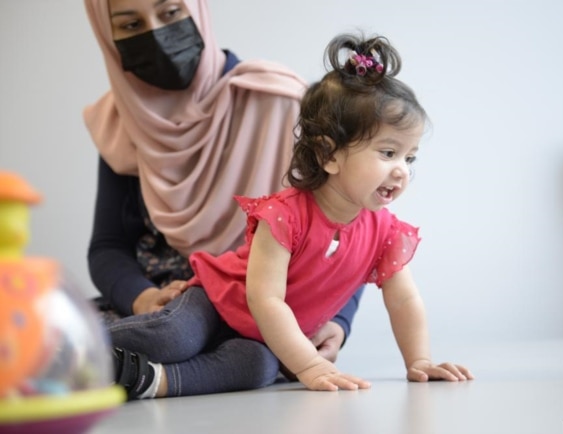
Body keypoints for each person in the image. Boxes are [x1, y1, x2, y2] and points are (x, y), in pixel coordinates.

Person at [108, 32, 474, 399]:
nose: (402, 171)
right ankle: (72, 344)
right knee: (175, 337)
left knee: (258, 367)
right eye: (388, 152)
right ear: (328, 155)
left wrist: (420, 361)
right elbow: (265, 300)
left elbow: (404, 300)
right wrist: (311, 365)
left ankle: (146, 380)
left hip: (263, 337)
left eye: (409, 158)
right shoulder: (285, 215)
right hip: (218, 304)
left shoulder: (386, 232)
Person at [83, 0, 364, 397]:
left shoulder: (281, 101)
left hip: (266, 308)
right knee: (169, 336)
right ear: (108, 37)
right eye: (130, 24)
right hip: (165, 308)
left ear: (197, 11)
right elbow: (108, 247)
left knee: (260, 362)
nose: (156, 35)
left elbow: (349, 227)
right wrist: (142, 297)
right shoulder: (120, 120)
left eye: (170, 13)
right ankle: (80, 355)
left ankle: (133, 376)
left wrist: (338, 322)